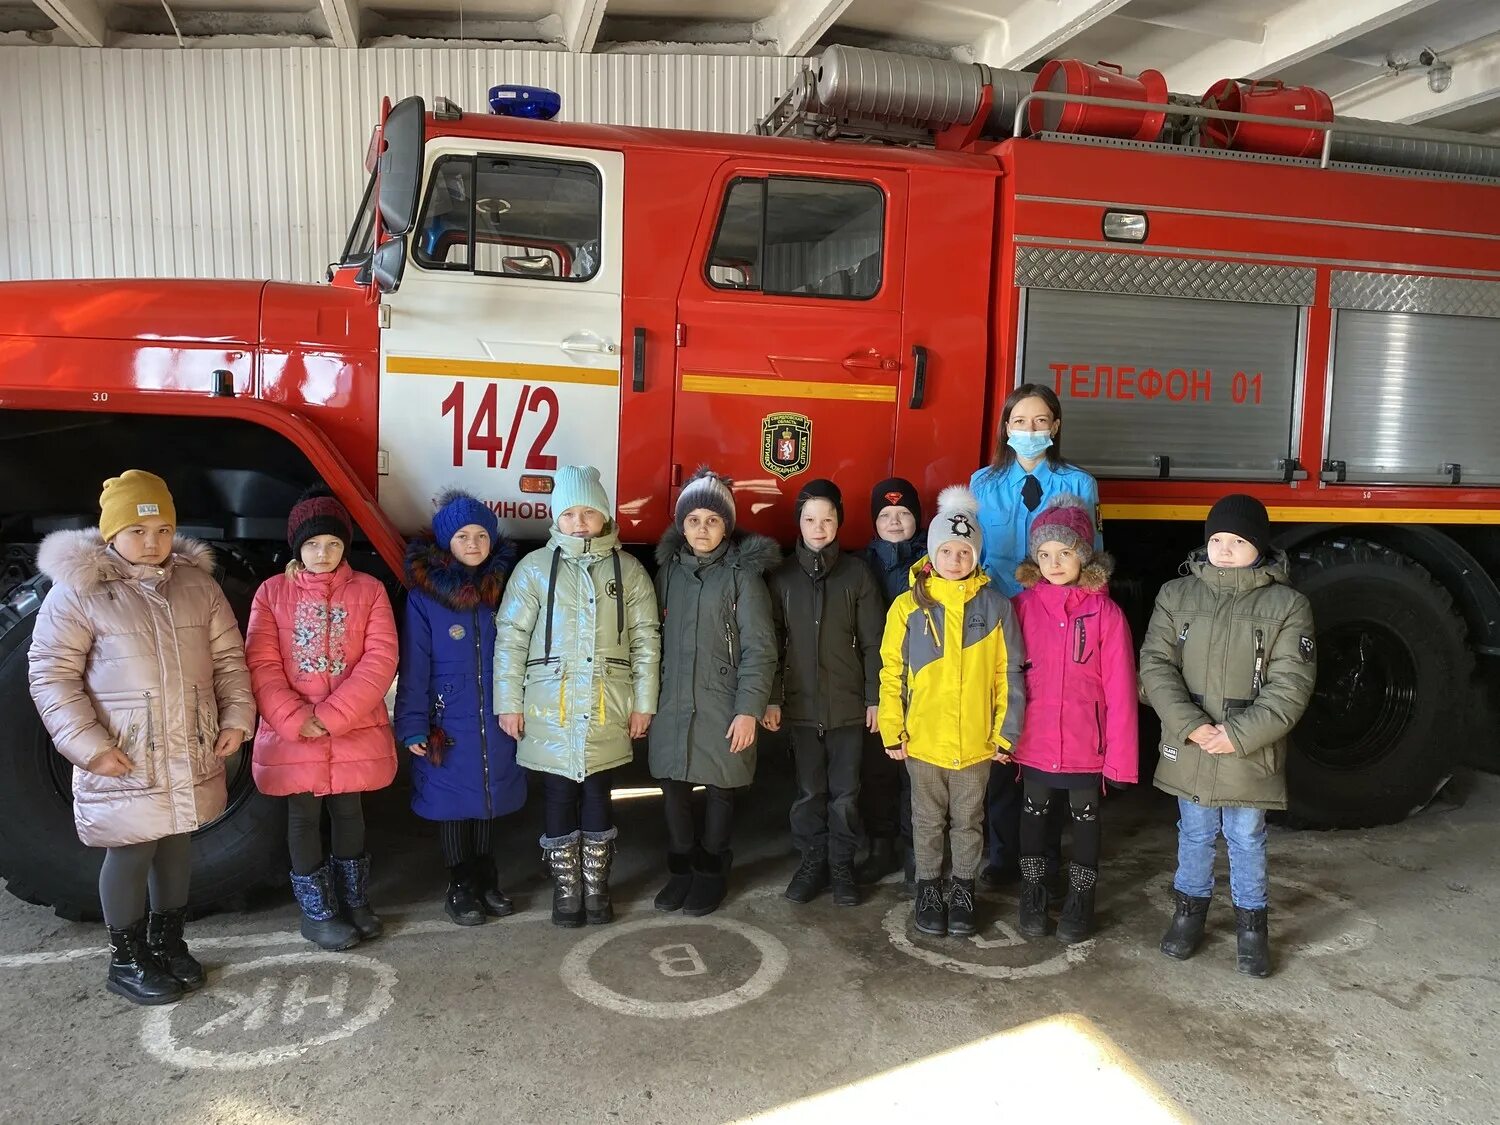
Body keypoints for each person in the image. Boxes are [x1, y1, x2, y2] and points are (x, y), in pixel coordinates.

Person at [28, 470, 254, 1004]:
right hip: (125, 754)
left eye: (162, 529)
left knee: (176, 844)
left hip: (187, 748)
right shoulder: (81, 593)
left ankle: (168, 943)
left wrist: (235, 719)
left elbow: (227, 660)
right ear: (111, 534)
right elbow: (52, 673)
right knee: (131, 851)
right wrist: (89, 746)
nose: (151, 543)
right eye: (136, 530)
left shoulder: (196, 585)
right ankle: (126, 958)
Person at [1139, 494, 1316, 978]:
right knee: (1193, 831)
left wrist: (1237, 735)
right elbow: (1155, 665)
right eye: (1216, 539)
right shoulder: (1176, 596)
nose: (1223, 549)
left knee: (1246, 835)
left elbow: (1291, 685)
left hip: (1246, 750)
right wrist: (1189, 725)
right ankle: (1188, 914)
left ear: (1258, 547)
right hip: (1192, 742)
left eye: (1237, 541)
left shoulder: (1287, 605)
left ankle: (1252, 927)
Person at [494, 466, 660, 927]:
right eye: (569, 513)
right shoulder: (533, 570)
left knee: (599, 792)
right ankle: (567, 890)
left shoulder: (627, 571)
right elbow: (510, 637)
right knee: (558, 792)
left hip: (608, 702)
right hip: (552, 705)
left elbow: (647, 639)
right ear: (555, 519)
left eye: (589, 512)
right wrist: (508, 701)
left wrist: (644, 702)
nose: (579, 522)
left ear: (605, 516)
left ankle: (597, 885)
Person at [246, 486, 399, 951]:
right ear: (297, 547)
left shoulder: (369, 591)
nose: (323, 553)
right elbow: (261, 662)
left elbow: (380, 658)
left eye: (333, 543)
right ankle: (318, 912)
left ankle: (355, 902)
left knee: (350, 813)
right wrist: (294, 718)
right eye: (312, 544)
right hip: (293, 731)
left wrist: (332, 716)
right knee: (303, 817)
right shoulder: (272, 594)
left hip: (350, 726)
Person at [878, 486, 1025, 937]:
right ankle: (928, 888)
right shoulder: (908, 606)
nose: (955, 559)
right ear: (932, 554)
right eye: (946, 550)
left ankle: (963, 889)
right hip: (924, 741)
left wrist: (1007, 732)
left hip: (977, 743)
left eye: (965, 551)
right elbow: (891, 672)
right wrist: (892, 727)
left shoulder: (997, 607)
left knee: (968, 821)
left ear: (977, 556)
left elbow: (1011, 675)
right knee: (925, 821)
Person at [970, 383, 1097, 888]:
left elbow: (1091, 558)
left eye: (1041, 421)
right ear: (1005, 427)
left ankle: (1045, 853)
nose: (1030, 430)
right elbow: (970, 556)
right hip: (1000, 620)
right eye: (1020, 421)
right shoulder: (982, 482)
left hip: (1055, 621)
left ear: (1057, 426)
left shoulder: (1080, 483)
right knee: (1003, 730)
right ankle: (1004, 853)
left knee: (1049, 732)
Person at [393, 490, 527, 927]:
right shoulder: (425, 599)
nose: (473, 544)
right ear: (446, 543)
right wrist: (413, 724)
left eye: (481, 535)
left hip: (495, 715)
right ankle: (461, 886)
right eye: (463, 536)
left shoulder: (507, 590)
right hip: (446, 719)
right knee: (453, 804)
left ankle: (488, 880)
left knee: (487, 797)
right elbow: (415, 665)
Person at [649, 469, 778, 916]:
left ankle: (711, 873)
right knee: (673, 785)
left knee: (722, 787)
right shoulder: (668, 573)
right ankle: (681, 870)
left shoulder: (743, 577)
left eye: (713, 521)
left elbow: (761, 649)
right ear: (681, 525)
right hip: (672, 700)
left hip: (722, 702)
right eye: (693, 520)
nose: (702, 529)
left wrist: (748, 710)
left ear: (727, 526)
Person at [1010, 495, 1137, 944]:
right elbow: (1004, 677)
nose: (1054, 562)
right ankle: (1033, 892)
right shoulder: (1021, 608)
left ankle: (1081, 900)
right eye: (1044, 554)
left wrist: (1120, 762)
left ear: (1084, 555)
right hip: (1035, 741)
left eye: (1064, 553)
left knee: (1085, 819)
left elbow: (1121, 692)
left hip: (1087, 744)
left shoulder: (1105, 614)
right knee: (1033, 815)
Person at [765, 479, 884, 907]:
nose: (819, 527)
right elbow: (772, 643)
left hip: (849, 707)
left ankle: (841, 864)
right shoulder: (781, 577)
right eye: (810, 519)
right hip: (799, 706)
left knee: (846, 793)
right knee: (809, 792)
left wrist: (875, 698)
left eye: (828, 519)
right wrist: (774, 697)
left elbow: (874, 641)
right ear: (799, 523)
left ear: (839, 523)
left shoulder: (857, 574)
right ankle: (813, 859)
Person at [853, 477, 922, 888]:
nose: (894, 522)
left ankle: (919, 853)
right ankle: (881, 847)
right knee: (877, 771)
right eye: (885, 515)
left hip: (925, 686)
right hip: (880, 686)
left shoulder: (937, 561)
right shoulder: (860, 565)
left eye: (904, 514)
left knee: (918, 776)